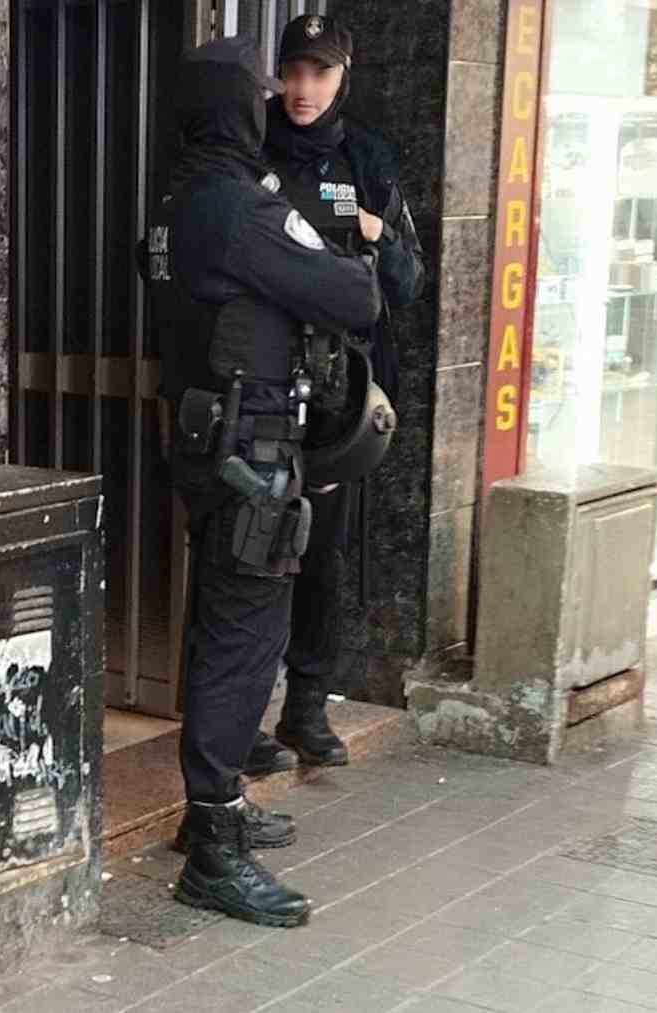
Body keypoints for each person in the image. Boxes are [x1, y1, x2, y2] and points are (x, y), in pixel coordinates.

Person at [145, 35, 381, 927]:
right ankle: (213, 843)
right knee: (245, 634)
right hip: (249, 451)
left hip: (209, 444)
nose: (278, 102)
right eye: (263, 94)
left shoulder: (174, 206)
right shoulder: (244, 210)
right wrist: (347, 260)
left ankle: (217, 809)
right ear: (240, 109)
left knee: (219, 623)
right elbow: (354, 299)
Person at [245, 13, 427, 775]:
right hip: (254, 389)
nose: (303, 89)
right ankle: (240, 718)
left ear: (342, 75)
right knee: (249, 559)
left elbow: (411, 283)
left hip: (337, 401)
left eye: (319, 73)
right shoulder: (246, 146)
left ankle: (307, 708)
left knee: (322, 556)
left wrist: (380, 234)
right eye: (293, 71)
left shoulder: (367, 158)